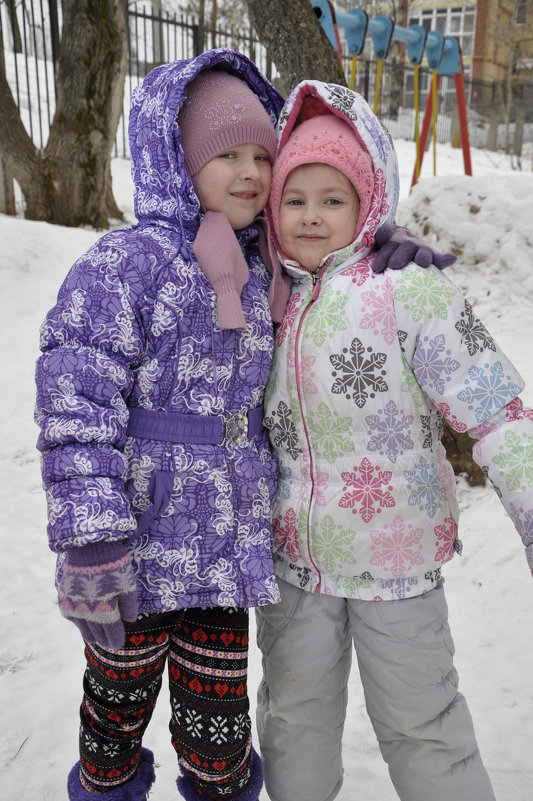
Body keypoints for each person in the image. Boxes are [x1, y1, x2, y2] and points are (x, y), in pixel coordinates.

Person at [34, 45, 454, 801]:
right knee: (114, 717)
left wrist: (377, 250)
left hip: (226, 550)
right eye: (226, 153)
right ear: (176, 157)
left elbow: (326, 269)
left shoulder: (266, 265)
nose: (252, 173)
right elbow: (77, 396)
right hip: (136, 543)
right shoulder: (125, 264)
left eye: (262, 154)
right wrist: (91, 534)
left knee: (219, 735)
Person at [257, 79, 533, 801]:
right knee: (291, 721)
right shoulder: (264, 296)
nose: (311, 216)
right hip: (295, 566)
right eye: (294, 198)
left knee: (423, 724)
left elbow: (494, 408)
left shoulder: (404, 288)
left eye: (332, 198)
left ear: (367, 203)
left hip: (397, 563)